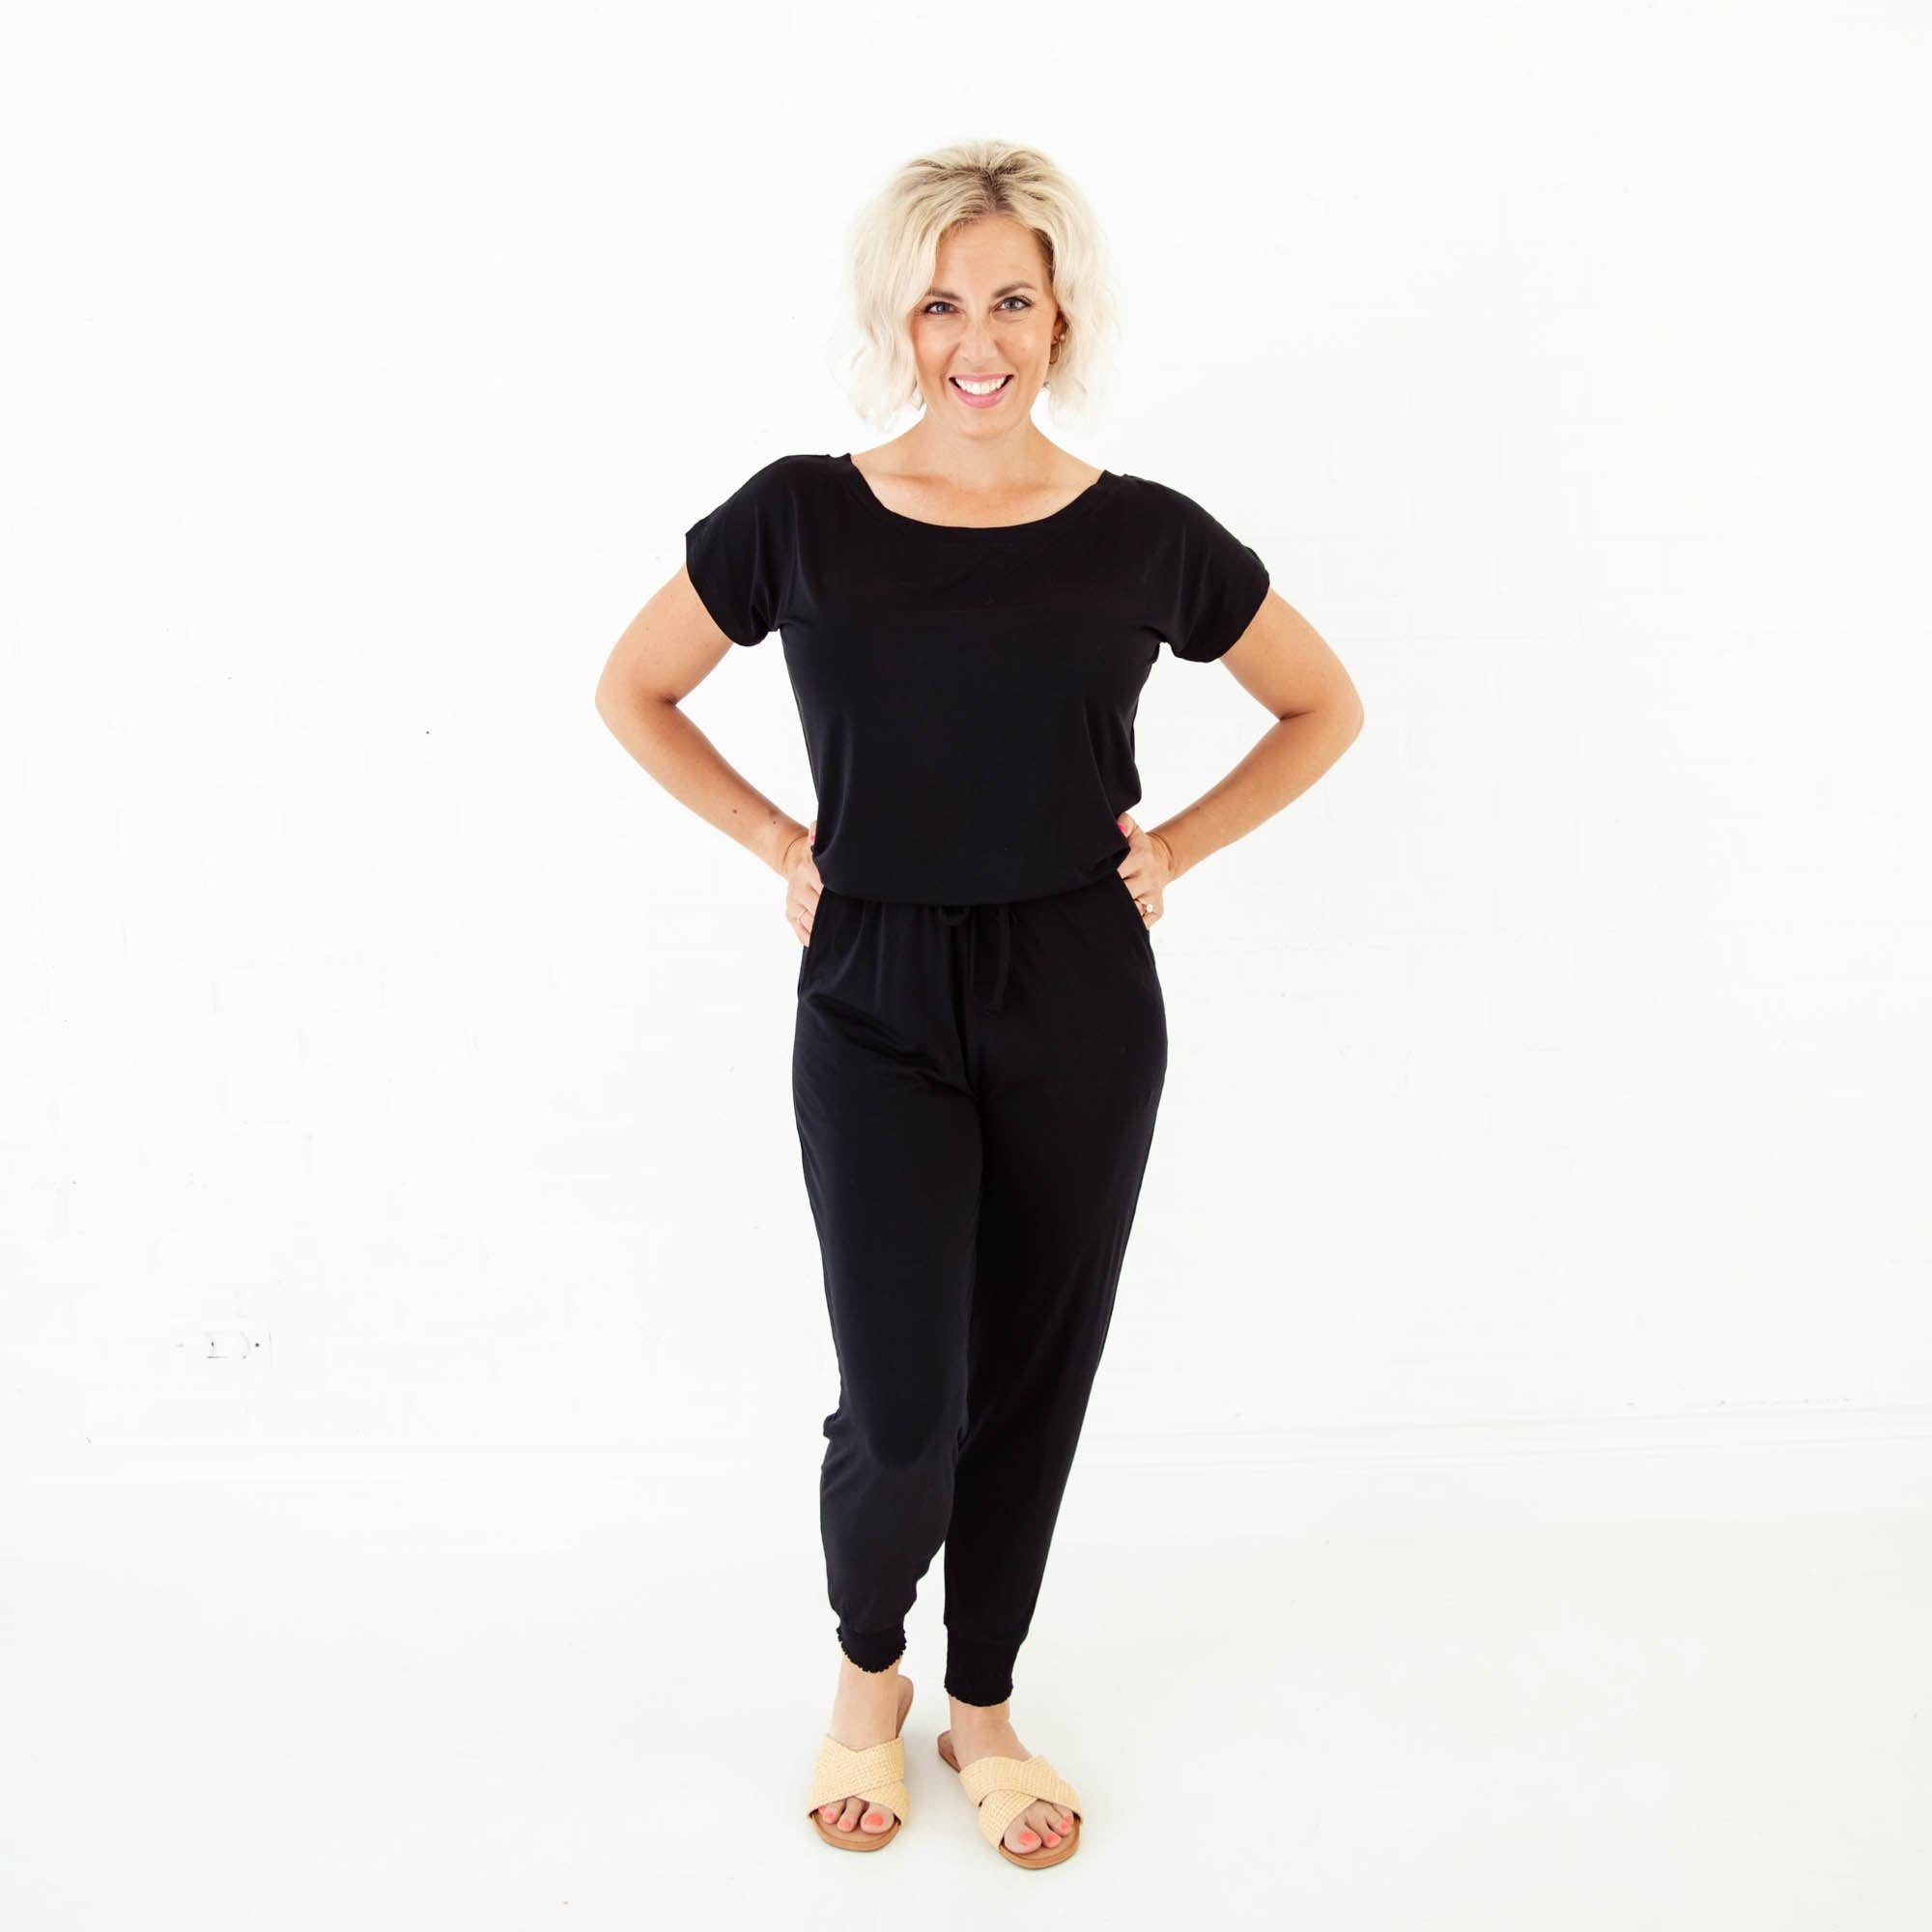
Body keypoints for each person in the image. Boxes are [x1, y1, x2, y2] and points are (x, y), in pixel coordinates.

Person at [594, 138, 1364, 1868]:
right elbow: (634, 688)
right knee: (901, 1405)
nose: (977, 339)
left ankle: (986, 1703)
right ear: (899, 320)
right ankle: (869, 1669)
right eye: (941, 303)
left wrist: (1178, 846)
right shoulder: (797, 516)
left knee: (1031, 1377)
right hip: (870, 985)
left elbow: (1323, 704)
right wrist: (779, 840)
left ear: (1061, 316)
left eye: (1012, 300)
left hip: (1077, 988)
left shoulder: (1147, 536)